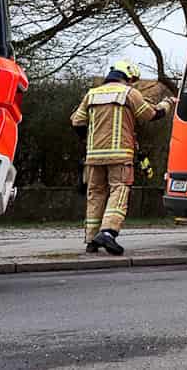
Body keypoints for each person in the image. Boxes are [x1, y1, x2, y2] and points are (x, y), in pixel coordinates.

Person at [70, 58, 172, 255]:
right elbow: (151, 114)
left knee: (95, 194)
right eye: (132, 80)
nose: (132, 83)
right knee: (119, 190)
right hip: (120, 154)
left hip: (94, 156)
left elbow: (77, 122)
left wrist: (90, 141)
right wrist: (167, 104)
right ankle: (108, 233)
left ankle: (91, 240)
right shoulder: (128, 93)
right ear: (127, 76)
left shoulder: (92, 94)